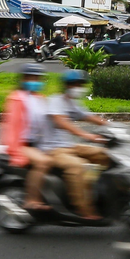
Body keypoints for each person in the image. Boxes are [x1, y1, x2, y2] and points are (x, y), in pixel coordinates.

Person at [43, 70, 112, 220]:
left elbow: (89, 117)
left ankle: (101, 194)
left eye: (81, 84)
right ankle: (84, 210)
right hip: (53, 149)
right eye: (75, 84)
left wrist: (113, 127)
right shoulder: (55, 100)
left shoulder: (72, 102)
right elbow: (61, 122)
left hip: (69, 147)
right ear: (67, 85)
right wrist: (86, 135)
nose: (79, 87)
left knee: (107, 156)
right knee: (78, 166)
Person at [0, 64, 53, 211]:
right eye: (32, 78)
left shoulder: (40, 98)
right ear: (24, 79)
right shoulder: (17, 99)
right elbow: (12, 127)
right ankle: (31, 200)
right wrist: (16, 152)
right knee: (43, 162)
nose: (35, 81)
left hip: (39, 143)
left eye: (38, 78)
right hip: (22, 144)